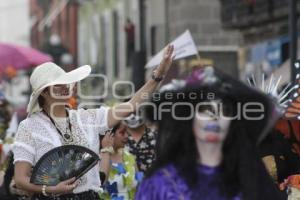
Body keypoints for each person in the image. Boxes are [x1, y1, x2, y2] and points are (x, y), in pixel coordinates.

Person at [12, 45, 174, 200]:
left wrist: (157, 76)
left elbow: (131, 106)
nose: (65, 87)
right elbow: (21, 179)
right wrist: (51, 189)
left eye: (65, 82)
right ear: (44, 92)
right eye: (57, 84)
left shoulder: (86, 118)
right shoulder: (29, 127)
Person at [135, 67, 284, 200]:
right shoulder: (160, 184)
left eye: (225, 111)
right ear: (190, 118)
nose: (215, 118)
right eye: (206, 110)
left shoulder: (252, 181)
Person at [100, 123, 141, 199]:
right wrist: (106, 149)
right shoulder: (99, 160)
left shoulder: (130, 157)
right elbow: (101, 185)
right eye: (122, 132)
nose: (126, 136)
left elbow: (140, 186)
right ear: (109, 134)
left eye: (127, 133)